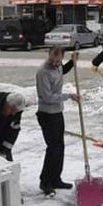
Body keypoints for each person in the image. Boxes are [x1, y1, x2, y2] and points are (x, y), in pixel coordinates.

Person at [36, 47, 79, 195]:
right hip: (47, 114)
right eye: (52, 60)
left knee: (60, 147)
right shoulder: (43, 72)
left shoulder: (58, 66)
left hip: (57, 112)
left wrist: (72, 62)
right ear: (48, 55)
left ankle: (55, 179)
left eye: (58, 61)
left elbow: (62, 70)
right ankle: (45, 182)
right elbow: (47, 97)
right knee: (53, 148)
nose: (55, 63)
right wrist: (68, 96)